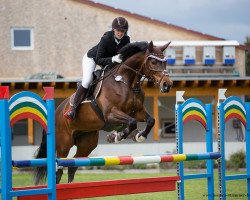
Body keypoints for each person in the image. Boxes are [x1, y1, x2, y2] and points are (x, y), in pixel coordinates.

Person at [65, 17, 130, 120]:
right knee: (87, 80)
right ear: (113, 29)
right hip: (92, 58)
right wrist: (113, 59)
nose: (120, 33)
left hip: (109, 61)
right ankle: (73, 109)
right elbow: (99, 59)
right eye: (118, 30)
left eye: (122, 31)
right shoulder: (106, 38)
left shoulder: (126, 40)